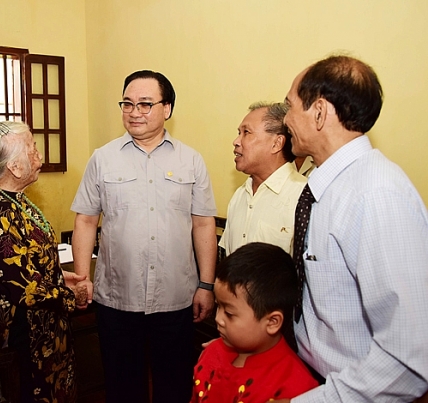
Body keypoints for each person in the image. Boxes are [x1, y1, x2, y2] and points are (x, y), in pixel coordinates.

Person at [274, 55, 428, 402]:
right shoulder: (329, 186)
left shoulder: (377, 195)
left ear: (319, 112)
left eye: (289, 106)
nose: (285, 119)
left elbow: (409, 358)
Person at [71, 70, 217, 403]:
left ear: (167, 109)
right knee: (123, 388)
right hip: (117, 299)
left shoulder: (190, 161)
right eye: (128, 104)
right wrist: (82, 279)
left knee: (174, 385)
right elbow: (86, 220)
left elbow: (203, 224)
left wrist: (206, 285)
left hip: (176, 299)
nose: (135, 112)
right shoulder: (103, 158)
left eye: (145, 104)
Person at [0, 121, 85, 402]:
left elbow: (25, 261)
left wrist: (59, 274)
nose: (39, 156)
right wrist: (70, 294)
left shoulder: (15, 200)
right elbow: (25, 289)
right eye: (32, 149)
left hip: (47, 326)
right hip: (27, 332)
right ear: (15, 167)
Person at [191, 242, 318, 402]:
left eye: (229, 313)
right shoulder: (212, 353)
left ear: (272, 322)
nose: (218, 319)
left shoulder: (297, 388)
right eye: (218, 306)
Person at [218, 102, 306, 255]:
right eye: (239, 132)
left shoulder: (303, 198)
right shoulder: (240, 195)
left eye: (246, 132)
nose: (236, 141)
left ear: (276, 143)